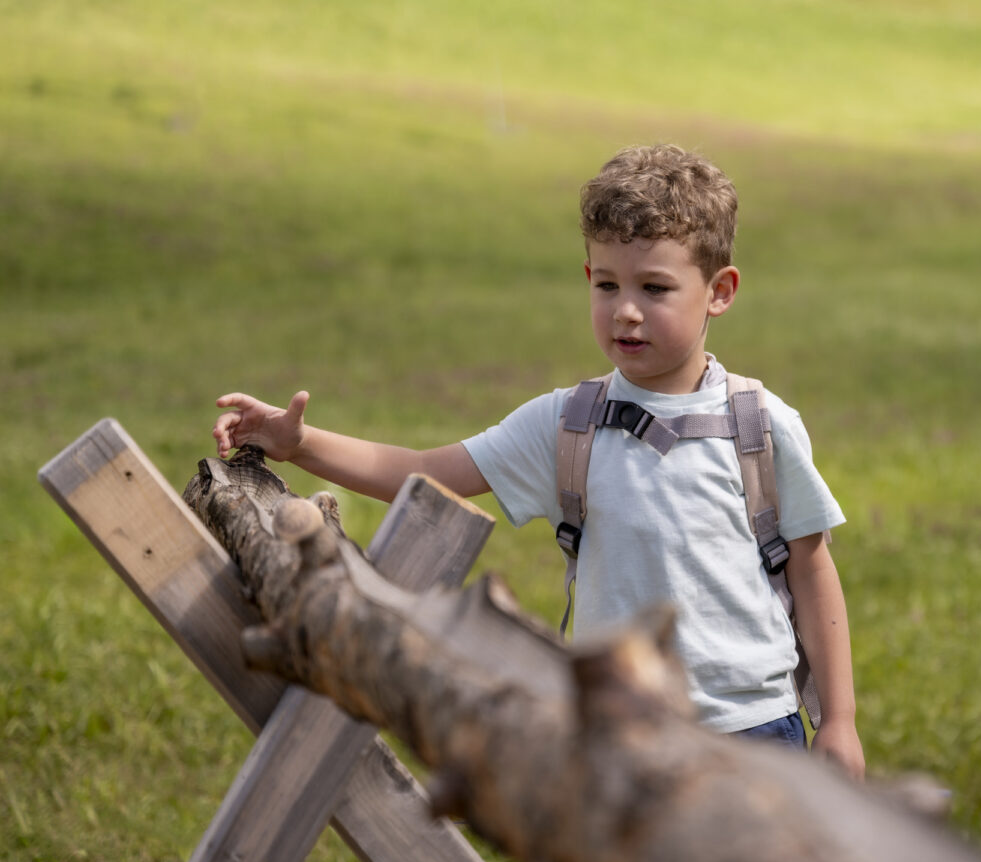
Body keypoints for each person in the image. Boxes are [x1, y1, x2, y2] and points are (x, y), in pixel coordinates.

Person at [212, 144, 865, 779]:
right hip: (617, 737)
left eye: (655, 287)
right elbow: (422, 471)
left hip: (756, 732)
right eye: (607, 284)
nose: (626, 311)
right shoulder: (567, 425)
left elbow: (810, 570)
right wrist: (299, 444)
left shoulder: (760, 424)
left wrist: (838, 719)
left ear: (719, 291)